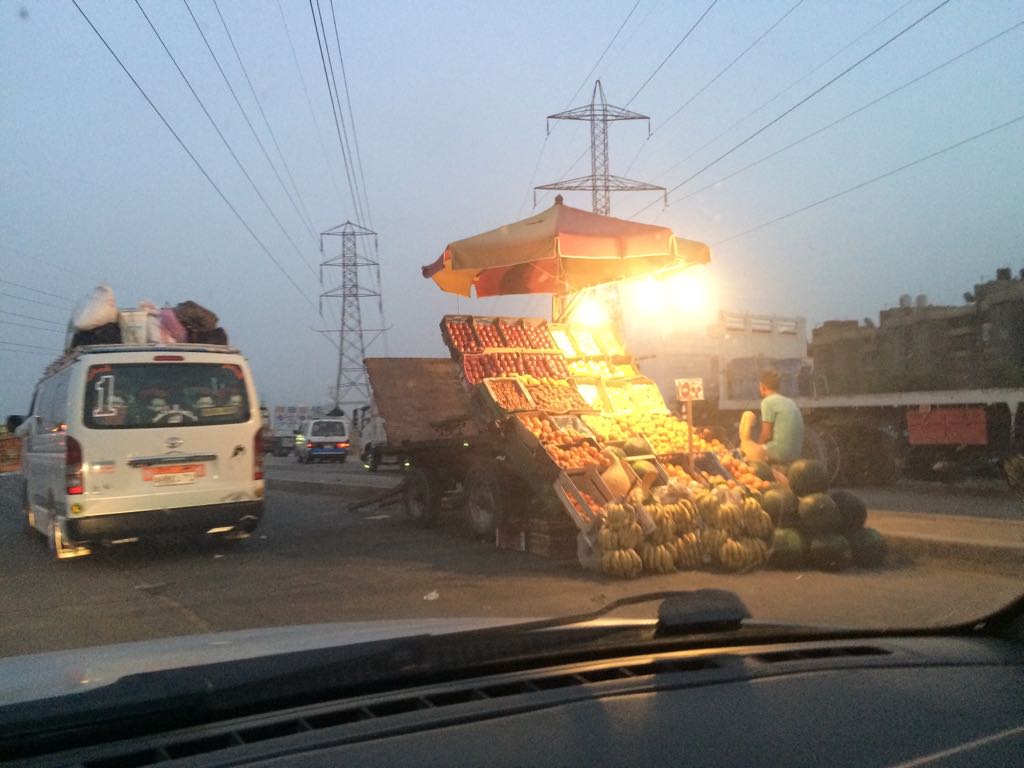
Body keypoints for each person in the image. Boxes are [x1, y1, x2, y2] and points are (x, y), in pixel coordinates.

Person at [740, 369, 804, 467]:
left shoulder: (767, 402)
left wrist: (757, 448)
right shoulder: (790, 401)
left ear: (763, 387)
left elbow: (766, 435)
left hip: (780, 451)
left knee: (747, 452)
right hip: (796, 451)